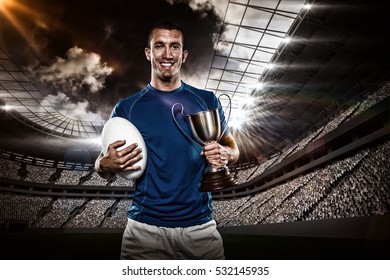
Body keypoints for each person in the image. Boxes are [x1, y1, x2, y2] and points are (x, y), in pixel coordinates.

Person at [95, 21, 239, 260]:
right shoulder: (127, 108)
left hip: (200, 229)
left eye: (174, 47)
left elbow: (232, 148)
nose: (167, 53)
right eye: (159, 46)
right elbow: (102, 163)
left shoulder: (207, 100)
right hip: (143, 231)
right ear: (148, 53)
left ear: (184, 55)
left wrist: (226, 155)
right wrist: (104, 165)